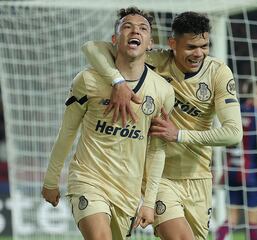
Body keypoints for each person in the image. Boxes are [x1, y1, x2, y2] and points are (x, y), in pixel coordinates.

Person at [81, 11, 243, 239]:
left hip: (199, 176)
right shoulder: (154, 61)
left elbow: (234, 134)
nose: (199, 54)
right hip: (159, 176)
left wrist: (179, 135)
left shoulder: (218, 72)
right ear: (172, 44)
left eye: (204, 46)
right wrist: (116, 81)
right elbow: (91, 48)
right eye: (191, 47)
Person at [42, 7, 175, 240]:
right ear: (115, 40)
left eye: (143, 28)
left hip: (127, 191)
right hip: (88, 179)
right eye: (127, 26)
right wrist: (51, 180)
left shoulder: (162, 91)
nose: (135, 31)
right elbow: (67, 132)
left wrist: (149, 201)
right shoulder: (88, 80)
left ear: (150, 43)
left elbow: (156, 150)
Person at [216, 79, 257, 240]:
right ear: (256, 91)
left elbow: (229, 144)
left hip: (232, 171)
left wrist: (224, 170)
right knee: (254, 218)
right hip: (250, 173)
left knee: (231, 217)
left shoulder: (237, 113)